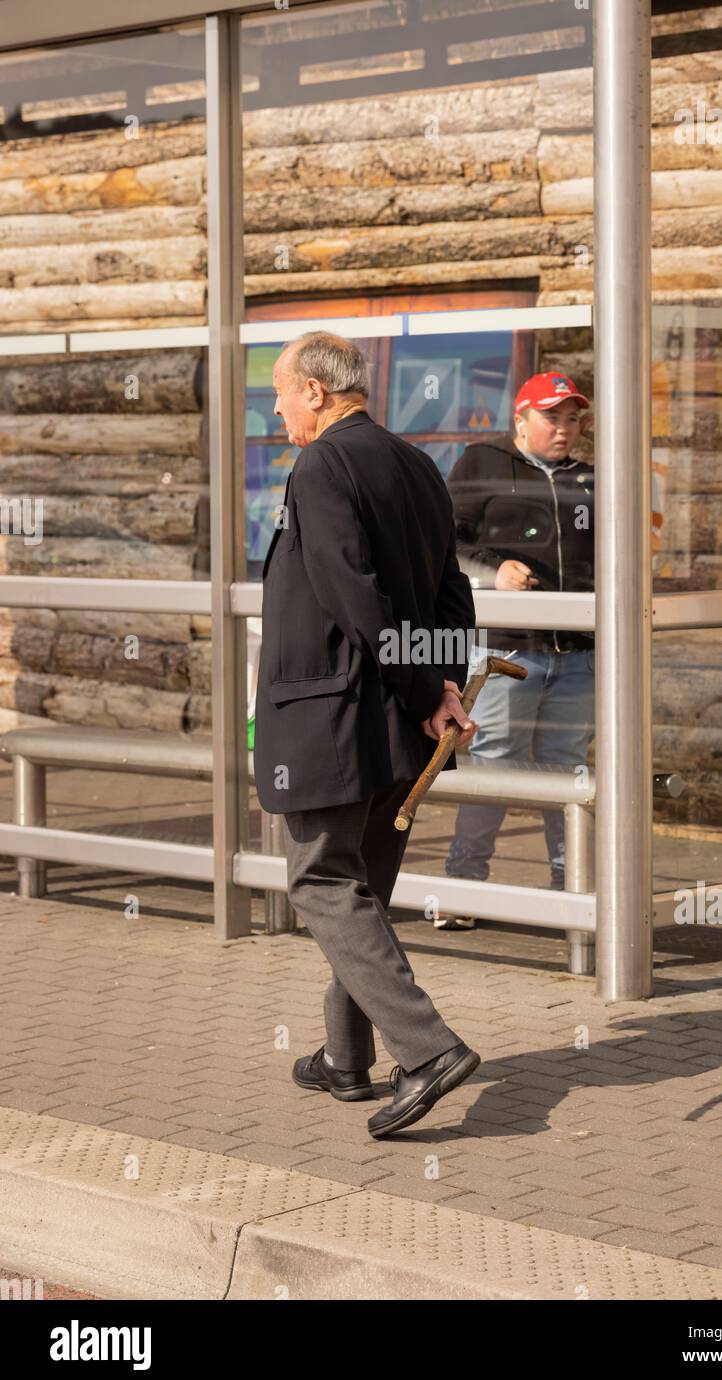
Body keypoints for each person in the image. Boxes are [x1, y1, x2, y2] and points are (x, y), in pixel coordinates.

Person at [253, 330, 481, 1139]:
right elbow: (451, 590)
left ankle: (424, 1051)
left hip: (333, 719)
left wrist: (425, 685)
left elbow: (353, 597)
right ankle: (346, 1059)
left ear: (315, 391)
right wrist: (440, 685)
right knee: (363, 892)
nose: (275, 407)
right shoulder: (416, 465)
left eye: (280, 391)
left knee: (320, 882)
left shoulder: (322, 465)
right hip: (398, 725)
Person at [439, 371, 595, 926]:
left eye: (572, 418)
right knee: (493, 765)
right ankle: (462, 891)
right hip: (507, 651)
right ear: (520, 420)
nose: (564, 428)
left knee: (568, 771)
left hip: (579, 652)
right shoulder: (482, 463)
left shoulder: (591, 479)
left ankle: (570, 888)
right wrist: (492, 572)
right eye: (552, 417)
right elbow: (442, 542)